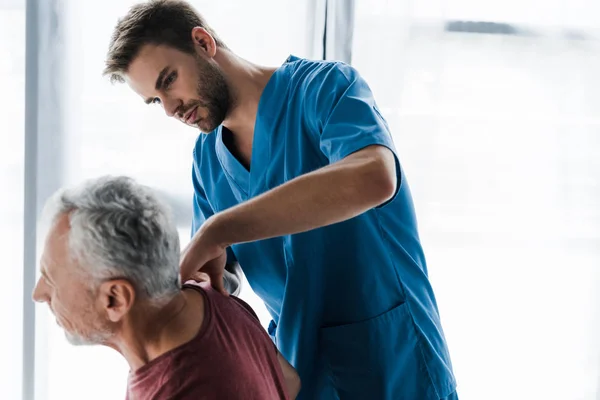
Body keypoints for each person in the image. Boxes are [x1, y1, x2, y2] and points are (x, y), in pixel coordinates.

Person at [104, 1, 458, 398]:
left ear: (202, 43)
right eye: (155, 101)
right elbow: (221, 273)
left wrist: (221, 229)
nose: (170, 110)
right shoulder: (208, 162)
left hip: (396, 365)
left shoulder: (324, 89)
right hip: (298, 374)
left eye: (168, 81)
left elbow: (375, 177)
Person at [32, 176, 301, 400]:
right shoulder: (213, 299)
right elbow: (288, 382)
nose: (39, 294)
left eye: (51, 278)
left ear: (115, 298)